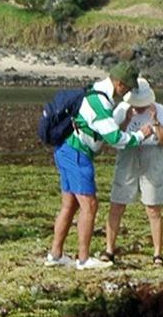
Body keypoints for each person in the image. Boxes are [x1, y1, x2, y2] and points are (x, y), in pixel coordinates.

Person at [45, 62, 148, 269]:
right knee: (89, 205)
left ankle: (55, 255)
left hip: (65, 149)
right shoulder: (99, 103)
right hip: (76, 153)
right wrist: (140, 135)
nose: (127, 92)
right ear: (119, 84)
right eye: (127, 88)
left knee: (70, 204)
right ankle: (83, 259)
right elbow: (115, 137)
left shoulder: (94, 91)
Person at [105, 79, 163, 264]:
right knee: (117, 204)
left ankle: (157, 254)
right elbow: (113, 139)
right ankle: (109, 251)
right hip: (127, 154)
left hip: (152, 155)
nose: (140, 108)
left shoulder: (160, 110)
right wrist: (127, 119)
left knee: (153, 206)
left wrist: (155, 122)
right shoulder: (122, 109)